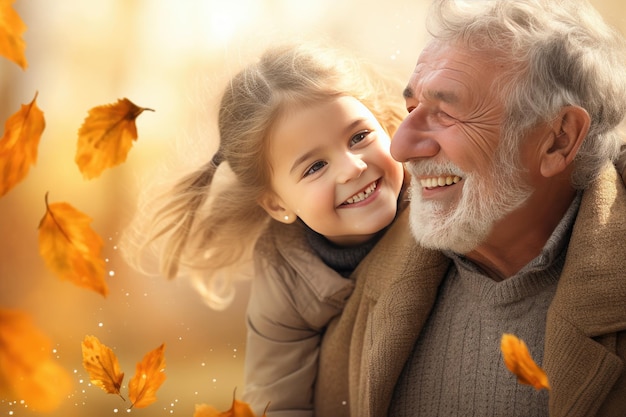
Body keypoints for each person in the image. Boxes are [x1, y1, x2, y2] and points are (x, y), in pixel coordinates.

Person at [315, 0, 626, 416]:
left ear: (559, 139)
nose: (400, 146)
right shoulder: (367, 292)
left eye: (445, 113)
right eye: (411, 109)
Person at [121, 43, 407, 416]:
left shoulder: (441, 193)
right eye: (315, 167)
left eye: (359, 137)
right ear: (277, 205)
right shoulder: (284, 277)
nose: (352, 167)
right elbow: (277, 402)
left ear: (385, 125)